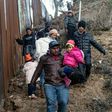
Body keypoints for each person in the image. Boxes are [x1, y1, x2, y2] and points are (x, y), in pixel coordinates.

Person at [30, 41, 69, 112]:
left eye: (57, 48)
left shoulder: (63, 57)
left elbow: (70, 66)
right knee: (51, 104)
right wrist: (32, 82)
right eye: (54, 48)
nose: (56, 50)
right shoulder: (44, 58)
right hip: (49, 84)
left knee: (63, 102)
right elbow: (38, 71)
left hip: (62, 84)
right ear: (49, 49)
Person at [34, 29, 60, 97]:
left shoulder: (38, 41)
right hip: (51, 60)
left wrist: (36, 58)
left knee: (42, 77)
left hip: (42, 60)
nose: (56, 36)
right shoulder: (54, 41)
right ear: (51, 35)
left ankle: (43, 93)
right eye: (55, 35)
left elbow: (38, 52)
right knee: (50, 76)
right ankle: (51, 92)